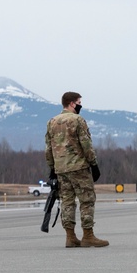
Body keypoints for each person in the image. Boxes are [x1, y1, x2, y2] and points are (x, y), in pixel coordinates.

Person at [44, 91, 108, 248]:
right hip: (78, 167)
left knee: (67, 201)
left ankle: (70, 236)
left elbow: (48, 148)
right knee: (86, 200)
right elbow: (86, 144)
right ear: (72, 103)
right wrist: (94, 164)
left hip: (61, 169)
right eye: (79, 102)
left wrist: (52, 168)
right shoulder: (77, 120)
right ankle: (88, 235)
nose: (80, 105)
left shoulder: (52, 122)